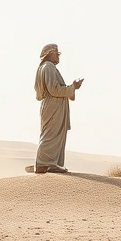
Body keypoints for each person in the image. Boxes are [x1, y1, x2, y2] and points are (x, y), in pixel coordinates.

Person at [34, 43, 84, 173]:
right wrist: (72, 87)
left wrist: (72, 88)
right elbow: (54, 89)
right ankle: (44, 163)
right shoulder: (48, 67)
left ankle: (50, 163)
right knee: (51, 134)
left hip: (53, 105)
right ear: (50, 53)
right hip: (53, 105)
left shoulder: (45, 67)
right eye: (57, 53)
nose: (58, 56)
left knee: (54, 133)